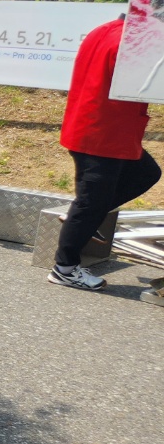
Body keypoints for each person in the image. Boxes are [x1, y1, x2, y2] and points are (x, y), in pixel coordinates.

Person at [49, 16, 160, 291]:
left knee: (146, 172)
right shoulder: (131, 42)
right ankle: (65, 269)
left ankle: (84, 215)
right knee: (90, 203)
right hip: (103, 133)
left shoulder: (106, 30)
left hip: (98, 127)